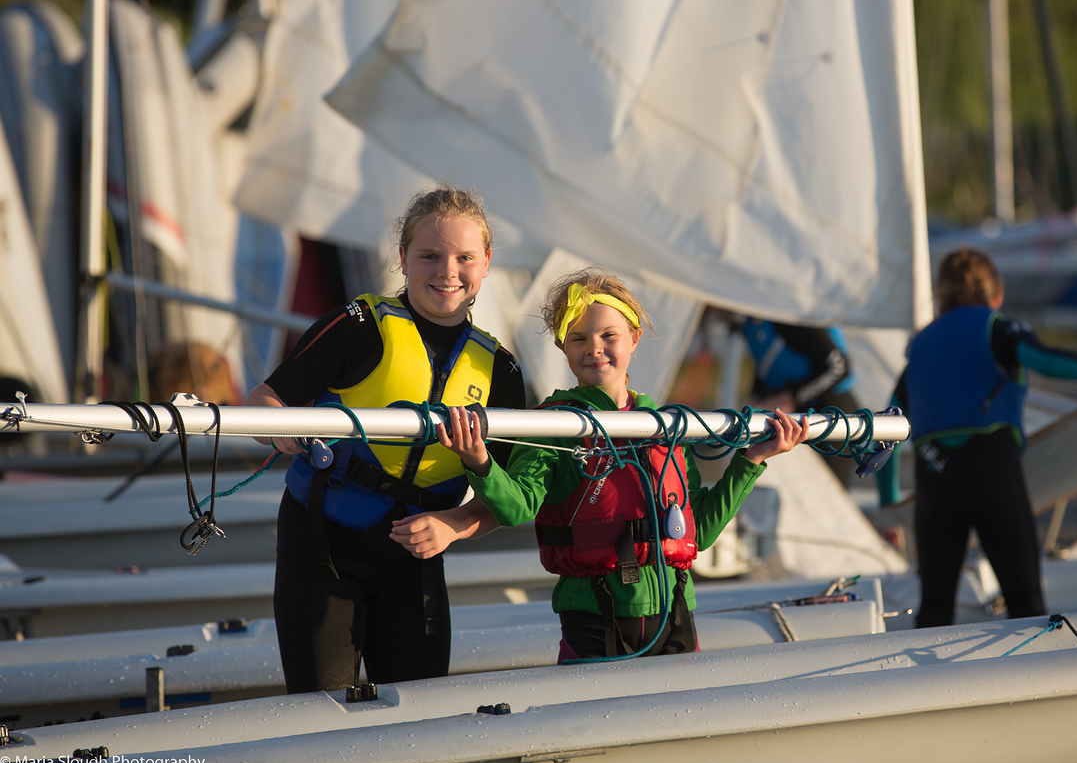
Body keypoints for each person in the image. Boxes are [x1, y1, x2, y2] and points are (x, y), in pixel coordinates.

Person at [397, 268, 806, 661]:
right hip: (594, 620)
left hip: (676, 616)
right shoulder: (553, 426)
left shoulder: (666, 427)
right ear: (563, 347)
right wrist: (479, 460)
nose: (594, 348)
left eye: (609, 335)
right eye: (579, 338)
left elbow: (700, 531)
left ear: (634, 338)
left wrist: (752, 459)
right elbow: (516, 508)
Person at [244, 186, 527, 692]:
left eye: (465, 258)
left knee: (416, 718)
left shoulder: (500, 372)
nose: (448, 271)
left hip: (415, 562)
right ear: (402, 258)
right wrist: (279, 425)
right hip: (323, 548)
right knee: (323, 714)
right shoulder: (359, 326)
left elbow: (506, 498)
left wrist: (453, 525)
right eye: (429, 255)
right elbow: (263, 399)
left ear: (486, 263)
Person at [880, 247, 1077, 629]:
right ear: (997, 294)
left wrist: (889, 507)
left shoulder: (920, 346)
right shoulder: (997, 328)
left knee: (934, 609)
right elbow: (1047, 360)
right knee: (1025, 605)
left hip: (935, 477)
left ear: (942, 296)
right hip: (991, 470)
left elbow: (885, 429)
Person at [739, 318, 859, 484]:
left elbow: (839, 367)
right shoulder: (751, 324)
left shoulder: (787, 316)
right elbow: (767, 367)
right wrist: (756, 398)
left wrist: (791, 398)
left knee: (828, 492)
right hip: (794, 418)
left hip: (831, 413)